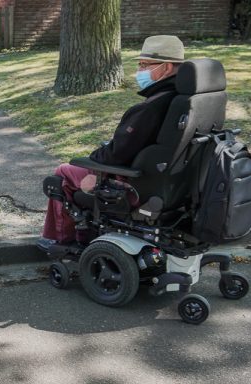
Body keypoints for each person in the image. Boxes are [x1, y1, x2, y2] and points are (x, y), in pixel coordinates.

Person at [38, 35, 185, 251]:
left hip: (137, 186)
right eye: (140, 64)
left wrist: (93, 168)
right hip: (174, 185)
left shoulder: (152, 107)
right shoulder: (189, 101)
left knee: (62, 173)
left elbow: (117, 153)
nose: (140, 70)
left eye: (145, 65)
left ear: (167, 67)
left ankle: (60, 240)